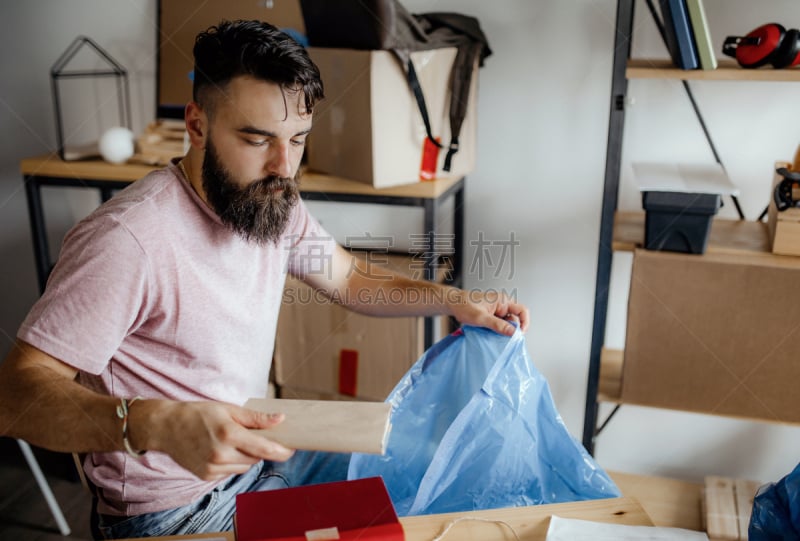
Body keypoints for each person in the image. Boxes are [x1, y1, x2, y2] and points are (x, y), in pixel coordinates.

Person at [0, 19, 529, 539]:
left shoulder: (271, 202)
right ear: (197, 124)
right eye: (257, 139)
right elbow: (16, 398)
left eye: (297, 139)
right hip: (171, 514)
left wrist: (455, 300)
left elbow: (348, 279)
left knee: (437, 488)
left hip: (257, 468)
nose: (284, 166)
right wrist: (154, 424)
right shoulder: (128, 240)